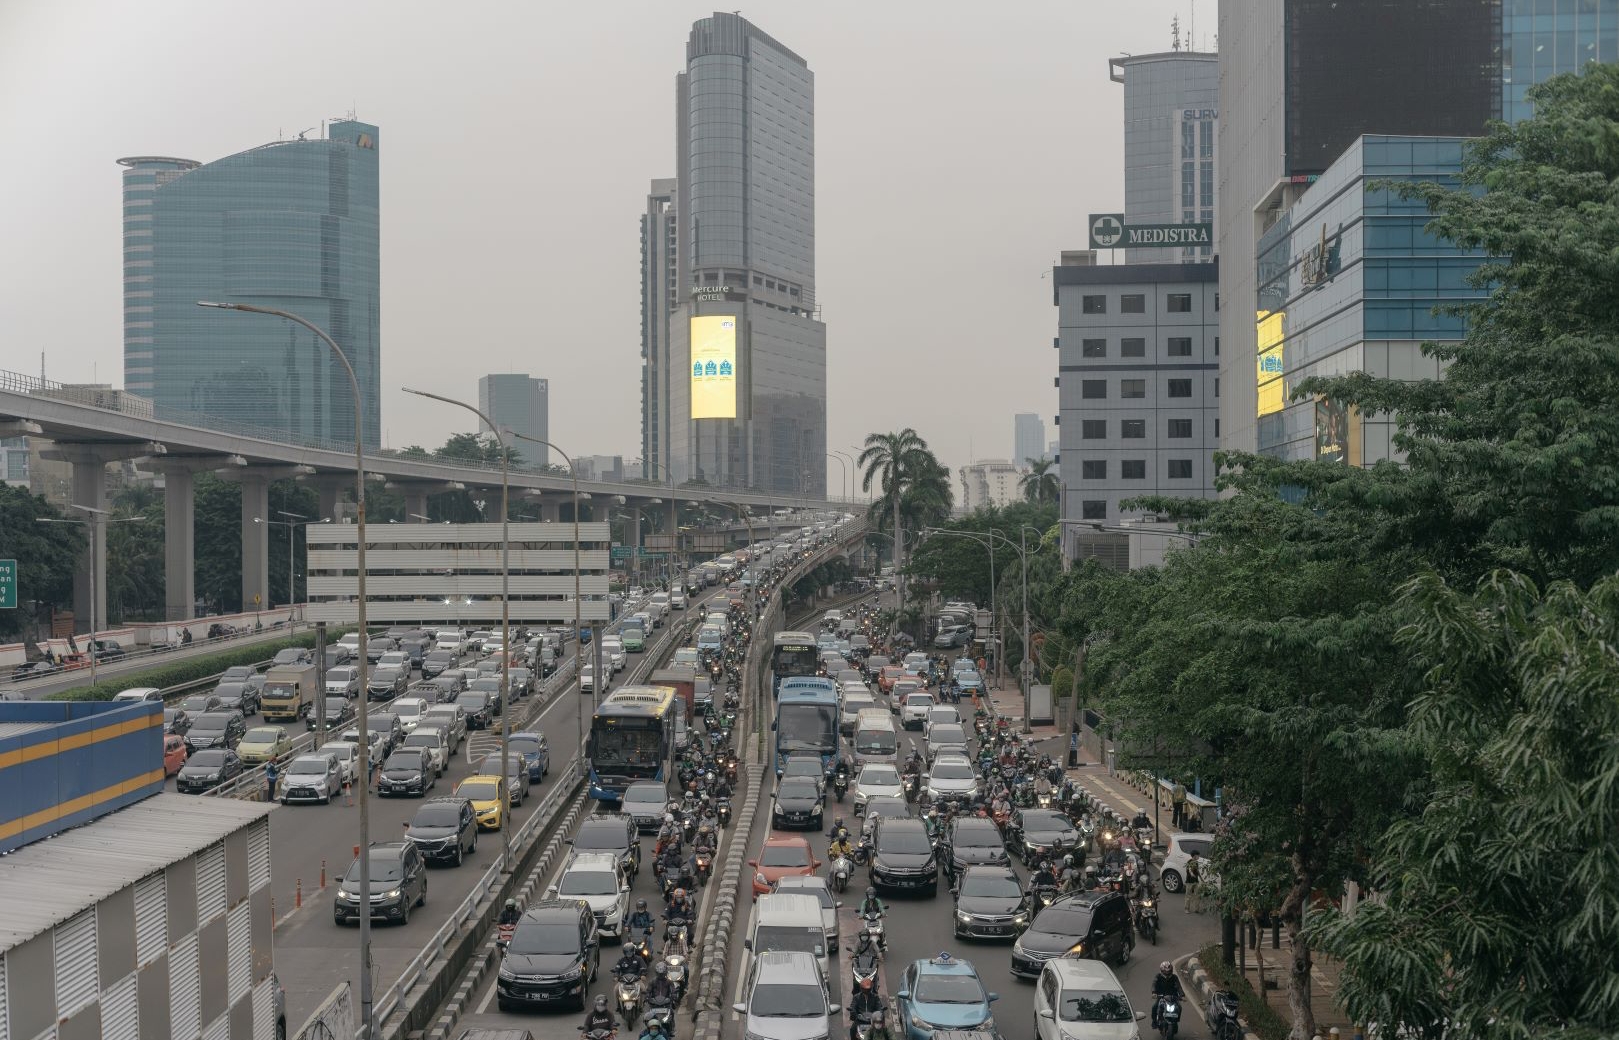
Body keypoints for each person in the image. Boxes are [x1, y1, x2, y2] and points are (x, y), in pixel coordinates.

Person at [847, 975, 884, 1040]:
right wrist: (853, 1012)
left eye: (868, 989)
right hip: (860, 1020)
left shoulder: (875, 997)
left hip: (873, 1020)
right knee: (852, 1029)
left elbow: (879, 1006)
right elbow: (853, 1006)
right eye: (865, 989)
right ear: (861, 989)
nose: (867, 991)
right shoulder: (856, 997)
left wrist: (880, 1012)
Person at [1150, 961, 1185, 1029]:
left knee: (1179, 1007)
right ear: (1162, 971)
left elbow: (1178, 986)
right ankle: (1154, 1021)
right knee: (1154, 1007)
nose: (1167, 973)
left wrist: (1182, 995)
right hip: (1161, 997)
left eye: (1169, 972)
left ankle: (1176, 1021)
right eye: (1165, 972)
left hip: (1173, 997)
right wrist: (1154, 993)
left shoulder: (1174, 977)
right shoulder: (1158, 976)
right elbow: (1154, 984)